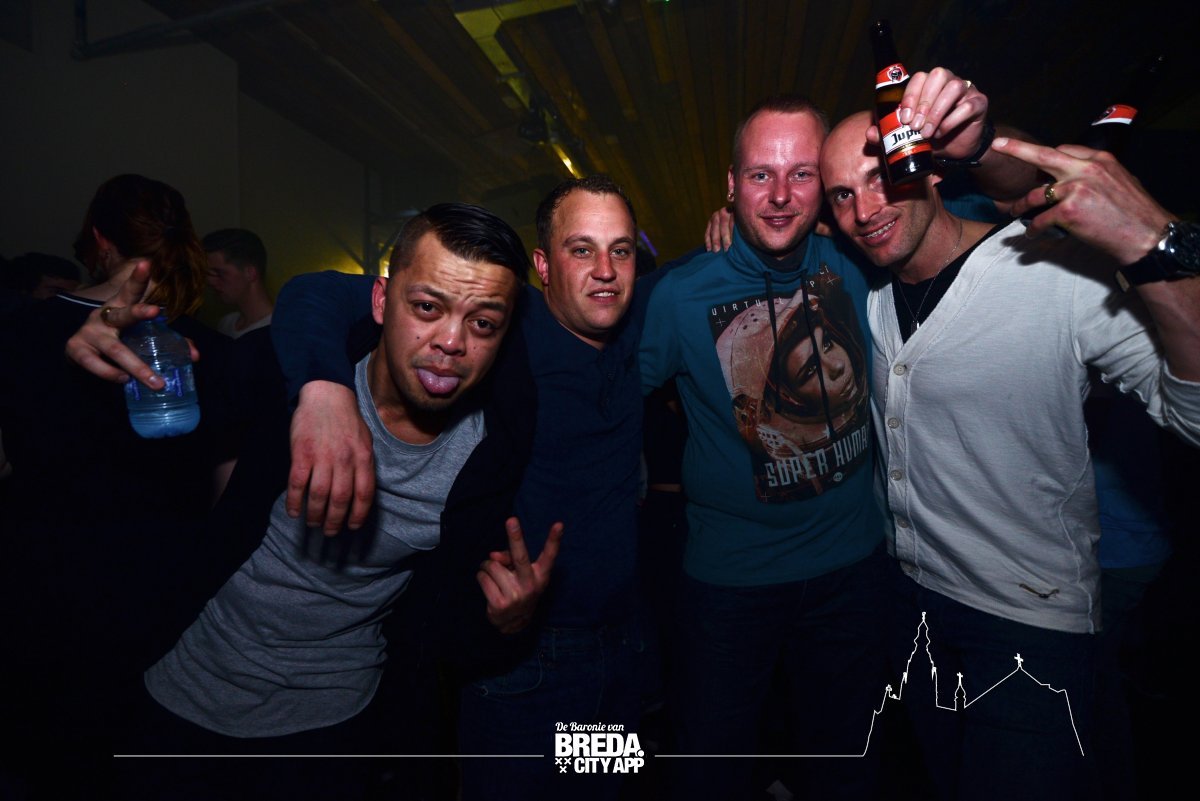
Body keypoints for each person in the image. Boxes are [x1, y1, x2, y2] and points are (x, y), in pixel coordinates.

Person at [636, 70, 1012, 801]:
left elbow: (1002, 204)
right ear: (732, 187)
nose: (780, 195)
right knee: (709, 768)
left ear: (825, 189)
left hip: (854, 575)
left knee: (847, 766)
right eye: (760, 175)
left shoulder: (864, 258)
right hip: (729, 586)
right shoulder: (680, 295)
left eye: (801, 174)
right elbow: (607, 396)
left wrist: (976, 138)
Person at [817, 114, 1200, 800]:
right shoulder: (872, 298)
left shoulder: (1052, 271)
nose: (864, 210)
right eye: (842, 194)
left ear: (933, 171)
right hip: (915, 612)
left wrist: (1154, 245)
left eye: (882, 178)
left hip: (1029, 627)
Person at [253, 175, 650, 801]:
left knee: (607, 787)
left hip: (623, 645)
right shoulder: (502, 328)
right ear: (543, 265)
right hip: (527, 662)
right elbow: (315, 293)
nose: (604, 270)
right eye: (581, 249)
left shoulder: (643, 315)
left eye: (620, 249)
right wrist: (323, 389)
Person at [0, 174, 220, 798]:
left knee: (58, 763)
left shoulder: (21, 331)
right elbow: (226, 494)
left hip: (46, 596)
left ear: (100, 241)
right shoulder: (208, 347)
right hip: (166, 602)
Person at [204, 227, 274, 338]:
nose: (210, 281)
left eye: (219, 273)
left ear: (250, 273)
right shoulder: (226, 323)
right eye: (208, 273)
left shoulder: (279, 329)